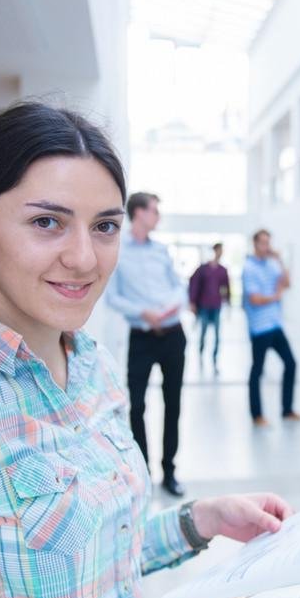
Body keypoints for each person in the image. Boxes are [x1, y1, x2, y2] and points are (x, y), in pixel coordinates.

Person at [0, 102, 293, 598]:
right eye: (47, 222)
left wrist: (205, 519)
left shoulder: (96, 365)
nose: (85, 258)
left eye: (105, 226)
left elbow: (104, 554)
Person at [106, 191, 188, 496]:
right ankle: (144, 473)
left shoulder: (161, 250)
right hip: (141, 337)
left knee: (173, 404)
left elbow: (179, 287)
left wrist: (169, 307)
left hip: (173, 334)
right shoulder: (118, 251)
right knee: (137, 405)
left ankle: (170, 471)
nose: (158, 216)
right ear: (139, 213)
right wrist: (144, 312)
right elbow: (113, 298)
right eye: (154, 210)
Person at [242, 229, 300, 426]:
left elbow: (287, 282)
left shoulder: (272, 264)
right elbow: (254, 299)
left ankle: (287, 410)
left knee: (291, 364)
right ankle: (257, 415)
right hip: (259, 327)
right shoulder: (249, 268)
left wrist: (280, 260)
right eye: (263, 242)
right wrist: (274, 296)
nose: (266, 246)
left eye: (268, 242)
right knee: (257, 370)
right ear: (255, 244)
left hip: (275, 324)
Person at [188, 242, 231, 374]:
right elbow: (194, 284)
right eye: (219, 250)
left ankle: (214, 360)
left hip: (216, 306)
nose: (220, 253)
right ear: (214, 251)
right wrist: (192, 302)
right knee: (203, 333)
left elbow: (226, 288)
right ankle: (200, 356)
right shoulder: (203, 269)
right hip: (204, 306)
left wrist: (227, 301)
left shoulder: (223, 270)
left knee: (217, 335)